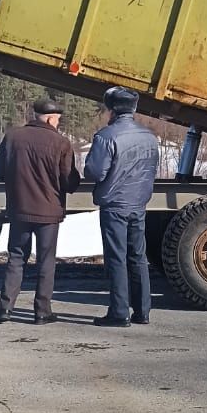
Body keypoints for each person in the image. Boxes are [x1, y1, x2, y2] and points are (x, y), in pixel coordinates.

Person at [0, 96, 80, 324]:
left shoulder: (13, 136)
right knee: (46, 261)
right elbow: (69, 181)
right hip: (48, 212)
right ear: (51, 119)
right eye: (58, 120)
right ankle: (42, 311)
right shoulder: (61, 143)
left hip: (19, 209)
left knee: (16, 257)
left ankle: (4, 309)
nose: (58, 124)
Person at [84, 86, 160, 327]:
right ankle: (142, 311)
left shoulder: (107, 136)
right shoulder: (149, 137)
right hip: (138, 202)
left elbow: (95, 172)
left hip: (115, 204)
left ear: (112, 110)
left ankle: (119, 312)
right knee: (138, 256)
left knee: (117, 258)